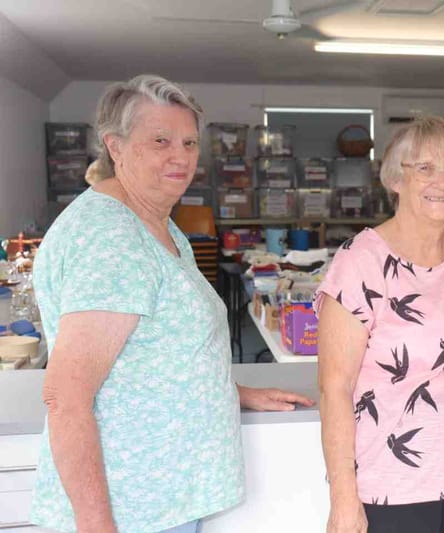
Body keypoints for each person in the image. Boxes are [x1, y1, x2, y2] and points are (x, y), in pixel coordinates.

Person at [30, 74, 313, 533]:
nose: (180, 156)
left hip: (161, 499)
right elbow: (66, 398)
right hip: (131, 507)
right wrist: (96, 524)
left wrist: (229, 393)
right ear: (115, 147)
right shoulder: (112, 238)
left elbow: (152, 355)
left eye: (188, 142)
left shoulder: (152, 219)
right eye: (160, 140)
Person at [315, 116, 444, 533]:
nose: (441, 182)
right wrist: (343, 499)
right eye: (424, 168)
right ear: (395, 179)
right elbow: (334, 389)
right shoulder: (360, 261)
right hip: (393, 488)